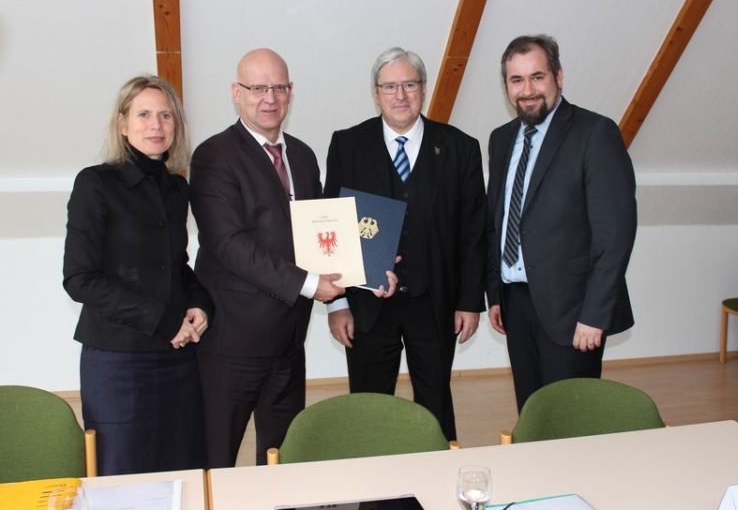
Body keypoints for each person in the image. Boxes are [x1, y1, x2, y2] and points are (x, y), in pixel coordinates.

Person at [190, 48, 396, 467]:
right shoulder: (213, 156)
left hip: (288, 343)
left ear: (291, 92)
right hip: (232, 344)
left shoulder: (301, 155)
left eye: (279, 87)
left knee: (283, 458)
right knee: (215, 460)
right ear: (236, 92)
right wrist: (311, 285)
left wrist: (364, 275)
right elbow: (229, 244)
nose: (269, 97)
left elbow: (322, 236)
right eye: (257, 88)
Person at [323, 47, 487, 441]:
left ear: (423, 89)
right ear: (376, 93)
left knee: (435, 406)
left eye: (409, 84)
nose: (401, 95)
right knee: (369, 407)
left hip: (435, 304)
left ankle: (436, 490)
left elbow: (473, 231)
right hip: (367, 306)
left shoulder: (460, 148)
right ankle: (375, 495)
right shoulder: (348, 145)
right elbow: (333, 227)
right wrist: (338, 303)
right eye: (390, 86)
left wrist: (468, 301)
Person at [63, 75, 212, 475]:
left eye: (166, 115)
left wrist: (200, 302)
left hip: (178, 360)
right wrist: (164, 322)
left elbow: (176, 265)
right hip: (117, 363)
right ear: (123, 122)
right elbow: (80, 278)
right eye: (144, 114)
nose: (156, 125)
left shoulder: (177, 189)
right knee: (123, 478)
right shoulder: (95, 183)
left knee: (183, 471)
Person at [486, 34, 637, 411]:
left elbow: (614, 234)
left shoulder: (595, 133)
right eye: (516, 80)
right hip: (516, 303)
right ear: (506, 86)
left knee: (572, 421)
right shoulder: (501, 139)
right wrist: (495, 293)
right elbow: (497, 218)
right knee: (533, 412)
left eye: (537, 77)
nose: (527, 90)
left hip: (573, 311)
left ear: (559, 76)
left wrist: (594, 315)